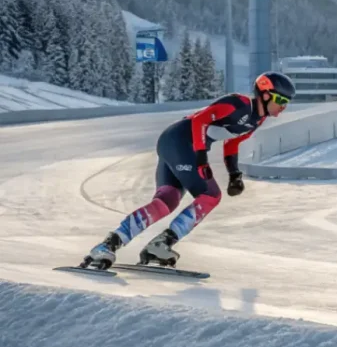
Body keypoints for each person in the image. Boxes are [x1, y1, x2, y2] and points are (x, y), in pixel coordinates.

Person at [80, 72, 295, 270]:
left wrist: (234, 175)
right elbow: (200, 120)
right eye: (281, 101)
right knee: (211, 195)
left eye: (287, 103)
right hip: (182, 141)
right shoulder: (237, 104)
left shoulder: (258, 119)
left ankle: (108, 245)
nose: (283, 107)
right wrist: (201, 157)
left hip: (175, 143)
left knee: (166, 202)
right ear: (265, 95)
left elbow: (232, 144)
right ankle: (163, 241)